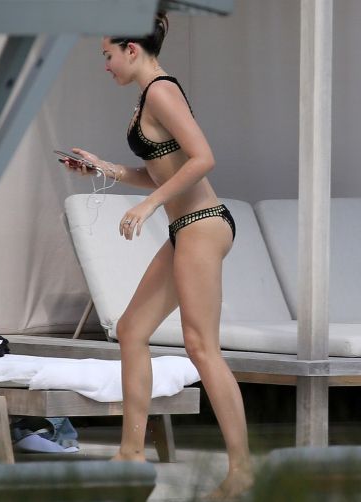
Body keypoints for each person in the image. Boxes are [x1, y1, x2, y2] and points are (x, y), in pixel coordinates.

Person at [63, 12, 253, 500]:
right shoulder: (147, 96)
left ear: (131, 49)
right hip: (185, 227)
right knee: (131, 330)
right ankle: (131, 453)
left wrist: (148, 207)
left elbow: (203, 158)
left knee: (201, 347)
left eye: (107, 55)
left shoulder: (161, 91)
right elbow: (162, 171)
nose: (105, 65)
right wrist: (104, 168)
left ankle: (242, 471)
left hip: (202, 224)